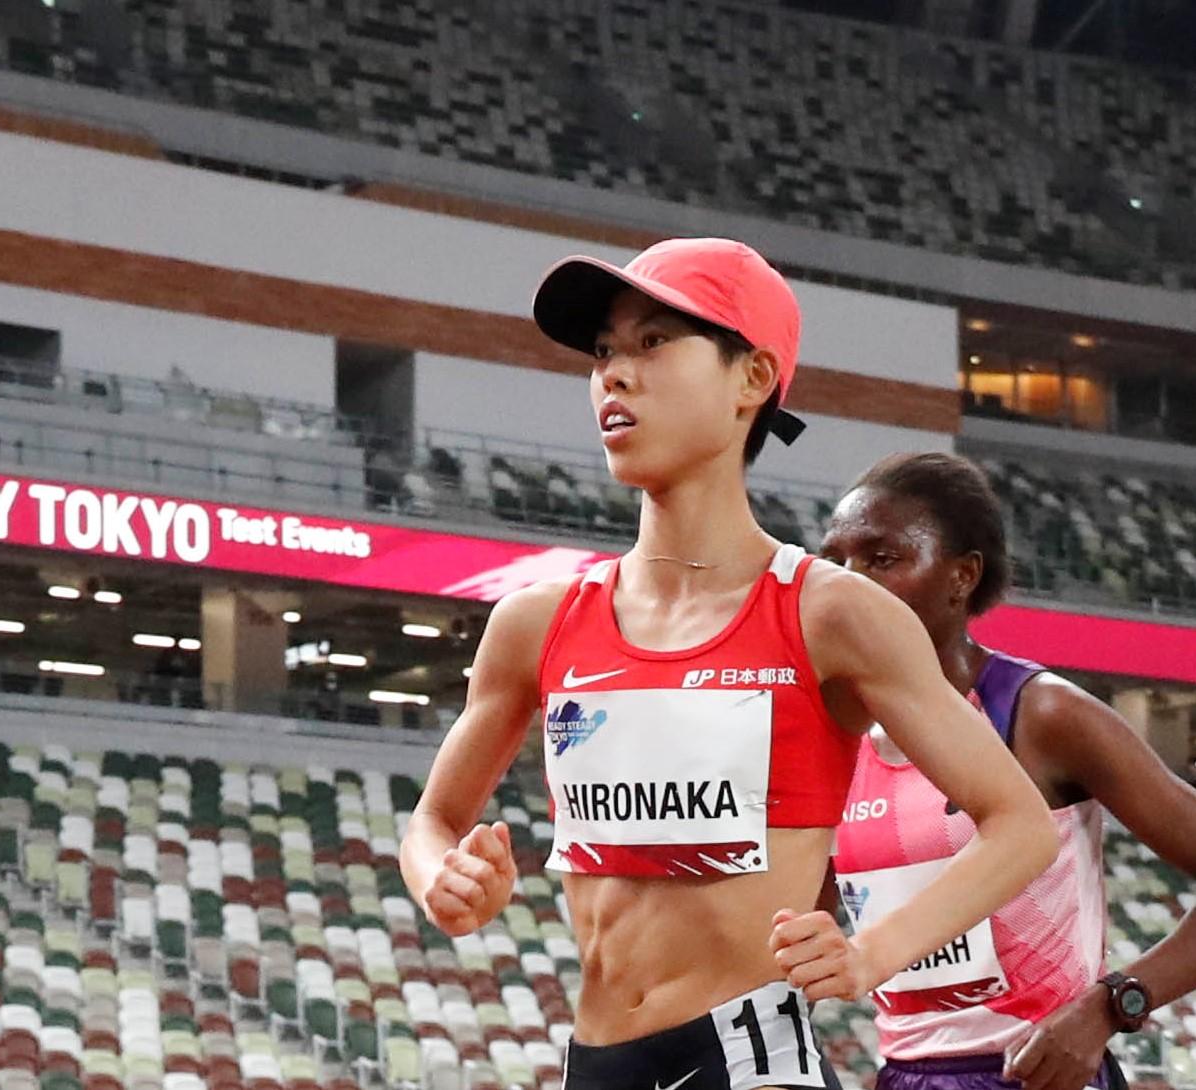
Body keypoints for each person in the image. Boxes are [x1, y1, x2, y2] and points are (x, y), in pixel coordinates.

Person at [399, 237, 1060, 1090]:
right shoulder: (535, 622)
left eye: (652, 343)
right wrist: (441, 879)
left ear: (752, 379)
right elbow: (431, 824)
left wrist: (869, 955)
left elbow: (1022, 824)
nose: (614, 375)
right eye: (603, 353)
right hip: (592, 1063)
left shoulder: (830, 613)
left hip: (750, 1060)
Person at [822, 452, 1196, 1090]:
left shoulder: (1042, 713)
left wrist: (1113, 1004)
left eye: (883, 559)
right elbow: (817, 917)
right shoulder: (833, 732)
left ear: (962, 576)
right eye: (835, 562)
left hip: (1038, 1075)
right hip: (904, 1077)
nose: (850, 582)